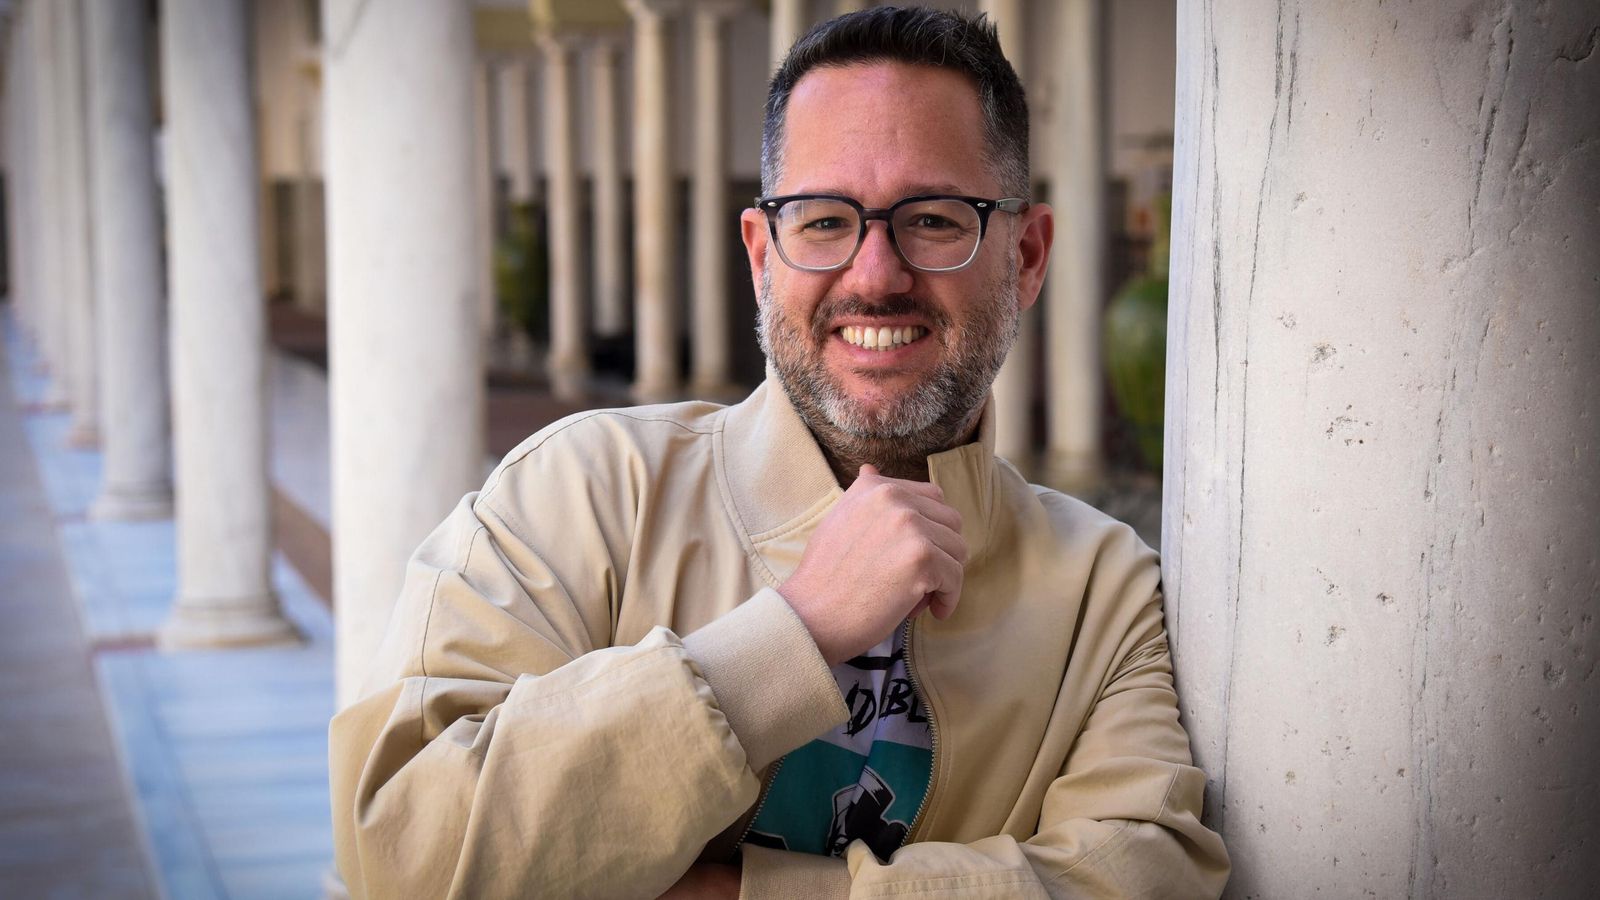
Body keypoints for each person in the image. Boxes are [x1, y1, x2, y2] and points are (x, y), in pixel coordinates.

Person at [329, 7, 1228, 898]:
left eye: (937, 220)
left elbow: (1145, 875)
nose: (875, 276)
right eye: (824, 221)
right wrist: (789, 637)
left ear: (1026, 257)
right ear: (762, 256)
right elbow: (404, 853)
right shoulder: (582, 496)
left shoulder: (1101, 591)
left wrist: (738, 893)